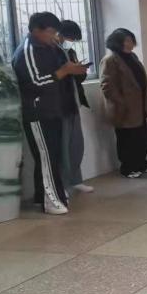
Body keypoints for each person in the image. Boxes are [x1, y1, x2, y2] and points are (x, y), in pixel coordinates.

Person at [12, 12, 88, 215]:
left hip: (56, 109)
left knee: (52, 156)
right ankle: (51, 201)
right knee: (47, 158)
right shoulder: (27, 50)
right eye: (51, 32)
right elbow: (35, 82)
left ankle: (44, 195)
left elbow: (61, 70)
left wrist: (73, 69)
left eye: (55, 32)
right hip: (38, 113)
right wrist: (64, 71)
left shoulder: (50, 47)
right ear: (36, 30)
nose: (54, 36)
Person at [100, 28, 147, 179]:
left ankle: (141, 162)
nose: (131, 43)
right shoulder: (110, 60)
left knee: (141, 134)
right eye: (127, 40)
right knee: (127, 137)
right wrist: (121, 102)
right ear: (117, 42)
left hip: (140, 104)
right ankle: (127, 166)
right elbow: (107, 86)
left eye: (131, 39)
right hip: (124, 107)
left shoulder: (132, 57)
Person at [56, 20, 93, 194]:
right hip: (59, 105)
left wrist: (80, 71)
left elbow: (76, 77)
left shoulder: (69, 52)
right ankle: (62, 184)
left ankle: (76, 179)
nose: (70, 41)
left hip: (73, 102)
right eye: (70, 37)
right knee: (63, 147)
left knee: (76, 145)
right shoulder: (52, 52)